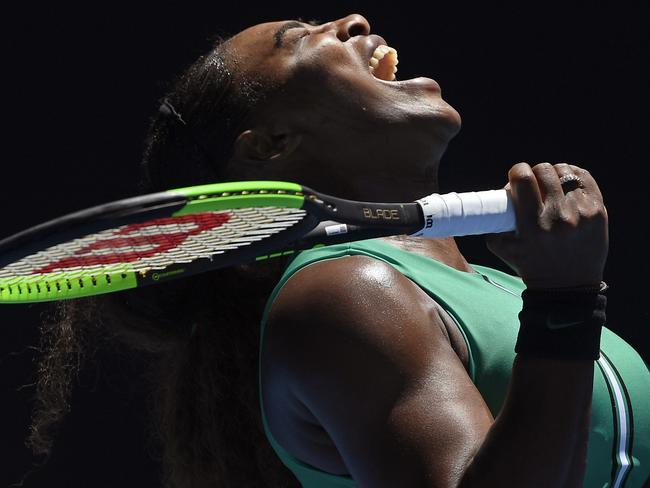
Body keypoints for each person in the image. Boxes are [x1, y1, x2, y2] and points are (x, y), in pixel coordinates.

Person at [28, 13, 649, 488]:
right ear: (273, 143)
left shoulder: (499, 285)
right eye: (300, 37)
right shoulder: (345, 291)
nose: (353, 21)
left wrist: (555, 294)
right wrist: (563, 303)